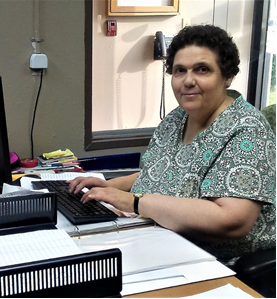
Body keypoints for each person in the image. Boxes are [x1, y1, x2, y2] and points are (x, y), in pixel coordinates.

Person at [68, 24, 276, 265]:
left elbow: (231, 220)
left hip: (217, 263)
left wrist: (133, 202)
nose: (188, 81)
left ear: (227, 76)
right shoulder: (177, 118)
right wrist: (108, 187)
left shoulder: (246, 129)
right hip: (161, 239)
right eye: (179, 71)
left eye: (202, 69)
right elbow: (161, 174)